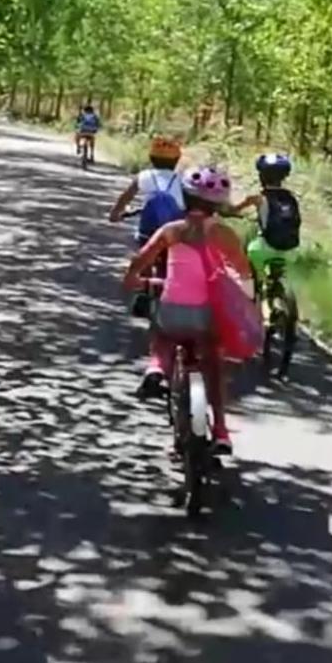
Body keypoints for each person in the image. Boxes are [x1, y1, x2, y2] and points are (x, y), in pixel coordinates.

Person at [122, 165, 253, 453]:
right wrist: (247, 299)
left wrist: (133, 279)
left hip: (175, 310)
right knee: (215, 368)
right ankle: (220, 430)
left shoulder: (171, 230)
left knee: (162, 330)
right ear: (218, 203)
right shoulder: (225, 235)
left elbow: (140, 260)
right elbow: (244, 273)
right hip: (210, 316)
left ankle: (157, 367)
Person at [108, 136, 186, 316]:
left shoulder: (144, 176)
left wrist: (115, 213)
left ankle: (144, 288)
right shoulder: (182, 180)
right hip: (174, 232)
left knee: (144, 254)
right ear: (176, 161)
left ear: (151, 159)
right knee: (172, 259)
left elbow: (125, 197)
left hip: (147, 231)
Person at [231, 152, 302, 296]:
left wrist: (228, 212)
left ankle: (251, 292)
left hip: (263, 249)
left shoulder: (257, 198)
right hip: (292, 250)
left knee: (249, 255)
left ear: (261, 176)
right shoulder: (291, 198)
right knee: (281, 265)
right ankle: (278, 285)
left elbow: (234, 209)